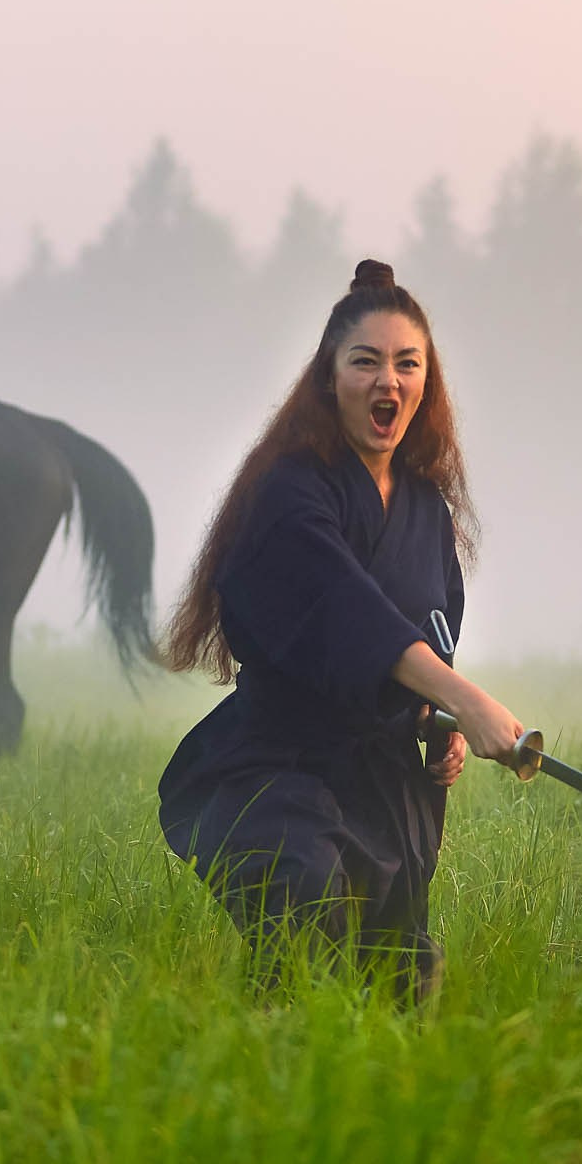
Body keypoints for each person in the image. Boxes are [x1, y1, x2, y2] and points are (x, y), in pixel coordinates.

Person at [157, 259, 529, 1002]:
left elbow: (425, 633)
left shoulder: (428, 510)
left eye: (406, 364)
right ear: (329, 378)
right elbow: (347, 610)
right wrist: (469, 697)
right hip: (281, 766)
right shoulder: (289, 491)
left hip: (388, 786)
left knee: (400, 984)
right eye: (365, 362)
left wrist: (440, 718)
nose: (387, 380)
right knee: (304, 914)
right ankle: (267, 1082)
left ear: (426, 385)